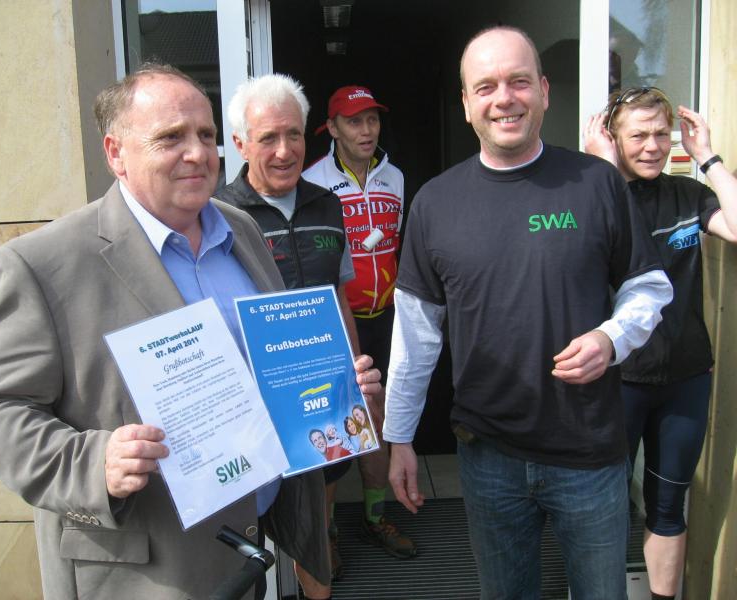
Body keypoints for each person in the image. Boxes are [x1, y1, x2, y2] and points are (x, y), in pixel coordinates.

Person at [0, 63, 381, 600]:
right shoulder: (43, 264)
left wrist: (333, 388)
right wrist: (94, 463)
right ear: (116, 153)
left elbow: (270, 369)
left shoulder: (241, 229)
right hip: (147, 574)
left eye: (205, 134)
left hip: (251, 553)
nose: (198, 153)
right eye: (171, 137)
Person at [382, 27, 674, 600]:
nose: (504, 99)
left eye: (518, 82)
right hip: (488, 456)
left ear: (544, 91)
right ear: (466, 104)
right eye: (485, 87)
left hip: (590, 454)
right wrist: (399, 438)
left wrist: (611, 338)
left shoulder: (595, 183)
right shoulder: (434, 203)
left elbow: (649, 287)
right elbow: (415, 337)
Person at [584, 87, 737, 600]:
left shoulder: (687, 195)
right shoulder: (594, 195)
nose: (652, 147)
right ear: (612, 139)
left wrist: (707, 157)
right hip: (617, 381)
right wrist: (604, 173)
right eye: (638, 136)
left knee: (668, 507)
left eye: (660, 135)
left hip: (685, 379)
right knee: (601, 509)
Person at [215, 72, 365, 591]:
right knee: (252, 532)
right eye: (268, 138)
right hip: (253, 407)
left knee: (317, 521)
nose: (284, 151)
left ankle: (323, 541)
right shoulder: (218, 215)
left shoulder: (328, 204)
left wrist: (355, 375)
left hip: (323, 391)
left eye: (294, 134)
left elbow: (338, 295)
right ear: (240, 144)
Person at [303, 85, 416, 561]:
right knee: (335, 424)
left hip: (384, 319)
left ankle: (374, 517)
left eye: (372, 119)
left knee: (380, 420)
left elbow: (395, 243)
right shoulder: (311, 180)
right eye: (354, 121)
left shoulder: (396, 177)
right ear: (332, 128)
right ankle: (326, 531)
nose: (366, 130)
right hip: (336, 323)